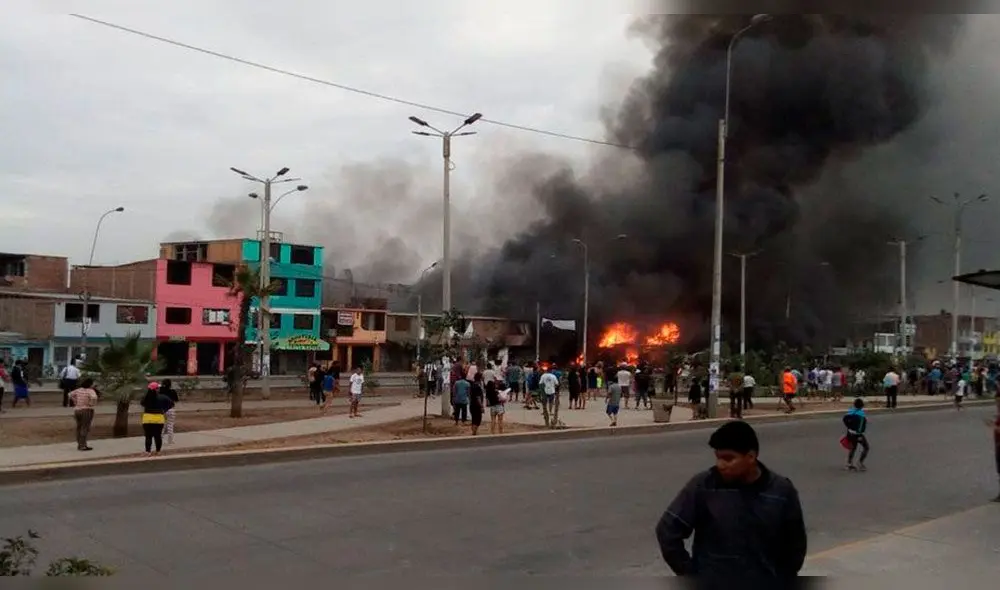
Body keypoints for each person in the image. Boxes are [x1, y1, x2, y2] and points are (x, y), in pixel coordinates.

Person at [655, 421, 807, 583]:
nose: (720, 465)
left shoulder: (781, 491)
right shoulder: (703, 486)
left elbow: (795, 545)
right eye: (718, 458)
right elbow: (667, 530)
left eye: (728, 459)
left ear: (750, 457)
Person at [140, 382, 174, 456]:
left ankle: (147, 452)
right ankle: (158, 451)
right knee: (157, 436)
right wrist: (164, 410)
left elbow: (142, 404)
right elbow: (171, 404)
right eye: (158, 388)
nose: (159, 389)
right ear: (156, 389)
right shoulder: (162, 397)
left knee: (148, 436)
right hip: (158, 419)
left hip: (147, 418)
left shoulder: (145, 398)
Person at [68, 377, 99, 451]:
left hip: (77, 410)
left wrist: (75, 401)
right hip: (87, 410)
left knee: (79, 427)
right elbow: (94, 397)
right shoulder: (91, 391)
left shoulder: (79, 390)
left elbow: (70, 394)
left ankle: (79, 444)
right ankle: (83, 445)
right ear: (90, 384)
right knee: (85, 427)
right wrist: (91, 404)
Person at [843, 398, 870, 471]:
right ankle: (860, 463)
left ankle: (849, 463)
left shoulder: (850, 412)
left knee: (853, 448)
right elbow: (861, 428)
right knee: (866, 447)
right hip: (857, 435)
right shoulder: (861, 416)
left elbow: (844, 420)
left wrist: (849, 427)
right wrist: (859, 435)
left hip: (850, 433)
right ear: (862, 406)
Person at [160, 378, 179, 445]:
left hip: (162, 410)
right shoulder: (172, 391)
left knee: (162, 426)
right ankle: (170, 441)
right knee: (170, 425)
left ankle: (160, 440)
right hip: (171, 409)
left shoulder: (160, 391)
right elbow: (176, 400)